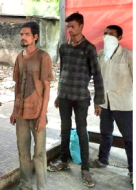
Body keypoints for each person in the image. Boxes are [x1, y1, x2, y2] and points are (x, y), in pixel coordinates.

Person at [48, 12, 105, 188]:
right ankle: (64, 161)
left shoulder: (89, 48)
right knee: (65, 129)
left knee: (81, 131)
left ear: (81, 26)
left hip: (81, 97)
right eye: (68, 27)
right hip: (64, 97)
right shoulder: (63, 47)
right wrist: (58, 94)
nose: (70, 30)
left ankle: (85, 169)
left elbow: (97, 75)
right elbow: (62, 72)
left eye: (73, 26)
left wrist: (98, 100)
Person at [10, 22, 53, 190]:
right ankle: (25, 185)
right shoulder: (19, 57)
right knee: (23, 153)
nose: (23, 37)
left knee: (39, 155)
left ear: (35, 37)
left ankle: (42, 187)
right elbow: (17, 84)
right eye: (21, 34)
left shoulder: (43, 57)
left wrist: (43, 116)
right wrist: (14, 110)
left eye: (26, 34)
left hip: (37, 113)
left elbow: (47, 88)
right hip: (21, 113)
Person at [90, 25, 133, 183]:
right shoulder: (101, 55)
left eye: (111, 35)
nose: (107, 37)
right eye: (105, 34)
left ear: (119, 38)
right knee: (105, 133)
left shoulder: (128, 56)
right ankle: (102, 160)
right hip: (105, 103)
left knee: (129, 138)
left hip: (124, 104)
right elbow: (98, 80)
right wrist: (97, 101)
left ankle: (132, 170)